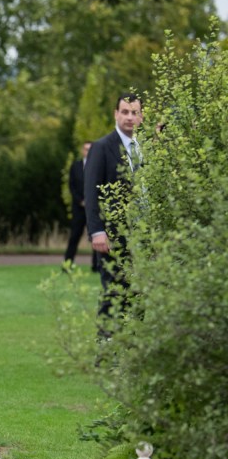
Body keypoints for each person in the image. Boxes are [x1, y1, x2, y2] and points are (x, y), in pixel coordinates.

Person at [85, 94, 143, 320]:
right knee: (114, 294)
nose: (130, 117)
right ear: (116, 114)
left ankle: (136, 347)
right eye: (125, 112)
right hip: (113, 236)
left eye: (134, 112)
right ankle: (107, 348)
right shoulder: (101, 147)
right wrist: (97, 231)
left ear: (141, 116)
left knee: (139, 294)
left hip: (142, 235)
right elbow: (91, 192)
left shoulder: (144, 147)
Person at [62, 141, 95, 271]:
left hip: (94, 208)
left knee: (96, 236)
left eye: (90, 149)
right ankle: (68, 264)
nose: (88, 152)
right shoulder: (75, 166)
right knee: (74, 236)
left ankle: (96, 265)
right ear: (82, 151)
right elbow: (72, 186)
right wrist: (80, 201)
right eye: (86, 149)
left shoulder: (99, 166)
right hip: (79, 208)